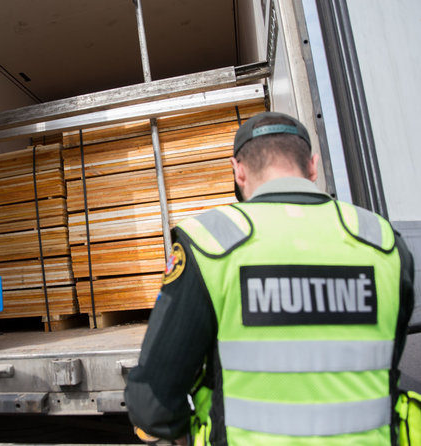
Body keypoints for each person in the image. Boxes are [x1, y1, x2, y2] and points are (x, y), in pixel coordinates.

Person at [124, 112, 415, 445]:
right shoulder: (382, 242)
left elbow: (153, 403)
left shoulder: (211, 243)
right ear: (313, 166)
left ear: (239, 171)